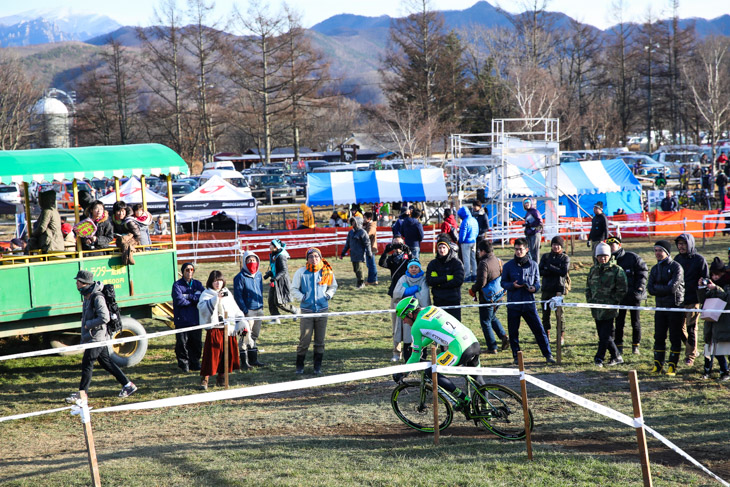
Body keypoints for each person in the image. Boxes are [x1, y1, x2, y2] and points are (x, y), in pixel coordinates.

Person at [392, 297, 486, 410]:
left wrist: (403, 372)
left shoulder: (416, 326)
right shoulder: (432, 308)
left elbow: (415, 356)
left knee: (431, 370)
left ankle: (463, 398)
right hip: (473, 342)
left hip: (459, 350)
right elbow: (434, 334)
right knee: (478, 380)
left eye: (404, 318)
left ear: (410, 314)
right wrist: (420, 345)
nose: (404, 322)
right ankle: (487, 411)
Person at [65, 270, 137, 403]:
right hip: (95, 336)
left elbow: (105, 317)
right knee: (107, 363)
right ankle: (128, 385)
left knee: (87, 363)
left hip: (97, 337)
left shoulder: (97, 297)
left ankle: (82, 394)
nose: (76, 283)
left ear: (85, 283)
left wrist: (88, 325)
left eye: (78, 281)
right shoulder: (87, 295)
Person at [500, 237, 556, 365]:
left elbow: (537, 283)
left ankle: (548, 354)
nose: (518, 252)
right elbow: (503, 283)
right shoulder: (508, 266)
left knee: (539, 331)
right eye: (516, 250)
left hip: (529, 303)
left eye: (521, 249)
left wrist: (534, 288)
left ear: (526, 250)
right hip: (513, 304)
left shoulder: (534, 265)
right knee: (513, 332)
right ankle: (516, 356)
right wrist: (512, 285)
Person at [197, 270, 248, 390]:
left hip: (227, 329)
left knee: (226, 355)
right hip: (214, 329)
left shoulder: (227, 293)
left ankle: (221, 377)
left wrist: (241, 321)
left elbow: (235, 308)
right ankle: (205, 379)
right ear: (211, 282)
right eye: (215, 281)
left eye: (219, 280)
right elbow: (202, 308)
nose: (217, 283)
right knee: (211, 356)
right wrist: (216, 299)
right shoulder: (206, 294)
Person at [291, 248, 338, 374]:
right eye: (311, 256)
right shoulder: (301, 272)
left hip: (322, 310)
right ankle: (299, 366)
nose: (314, 259)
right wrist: (303, 297)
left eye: (316, 256)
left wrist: (328, 295)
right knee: (304, 340)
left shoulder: (326, 271)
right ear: (307, 259)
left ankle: (317, 367)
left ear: (320, 257)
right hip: (307, 311)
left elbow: (333, 286)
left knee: (320, 340)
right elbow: (294, 288)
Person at [586, 242, 627, 367]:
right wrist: (590, 300)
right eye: (600, 256)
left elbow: (622, 288)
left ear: (609, 256)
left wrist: (613, 301)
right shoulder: (593, 270)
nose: (602, 258)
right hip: (596, 309)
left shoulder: (617, 270)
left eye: (605, 256)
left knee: (604, 335)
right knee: (603, 335)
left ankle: (599, 358)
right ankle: (616, 356)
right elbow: (588, 287)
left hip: (609, 309)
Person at [647, 240, 685, 376]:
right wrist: (660, 288)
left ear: (667, 252)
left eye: (660, 250)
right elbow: (650, 289)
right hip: (660, 308)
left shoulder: (676, 267)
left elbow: (672, 288)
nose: (657, 253)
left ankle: (672, 366)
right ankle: (658, 365)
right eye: (655, 250)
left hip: (675, 307)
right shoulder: (654, 269)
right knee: (659, 337)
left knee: (674, 337)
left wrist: (658, 288)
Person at [607, 236, 648, 355]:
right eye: (608, 246)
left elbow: (643, 271)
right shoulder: (608, 259)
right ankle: (619, 346)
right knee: (619, 322)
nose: (610, 248)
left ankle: (636, 346)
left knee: (635, 322)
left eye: (612, 245)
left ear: (619, 245)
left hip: (634, 296)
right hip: (619, 296)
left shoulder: (632, 257)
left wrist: (639, 288)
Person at [674, 233, 709, 367]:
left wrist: (702, 285)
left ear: (690, 244)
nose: (681, 246)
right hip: (678, 300)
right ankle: (692, 348)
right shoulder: (677, 258)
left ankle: (690, 356)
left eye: (683, 244)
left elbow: (705, 278)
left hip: (693, 300)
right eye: (679, 244)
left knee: (691, 329)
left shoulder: (700, 260)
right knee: (678, 328)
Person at [470, 239, 509, 354]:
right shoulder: (498, 260)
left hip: (488, 298)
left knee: (485, 321)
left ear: (482, 251)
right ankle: (503, 336)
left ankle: (492, 347)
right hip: (499, 296)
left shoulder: (484, 263)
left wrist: (473, 289)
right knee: (492, 318)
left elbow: (481, 282)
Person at [380, 237, 412, 361]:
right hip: (395, 293)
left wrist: (408, 252)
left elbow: (415, 263)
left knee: (409, 324)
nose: (397, 246)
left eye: (399, 243)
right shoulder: (392, 259)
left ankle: (410, 350)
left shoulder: (407, 258)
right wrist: (385, 252)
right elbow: (382, 263)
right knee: (396, 325)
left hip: (408, 293)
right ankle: (396, 352)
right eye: (395, 244)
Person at [698, 258, 730, 380]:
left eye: (717, 274)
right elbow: (702, 301)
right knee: (709, 347)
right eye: (712, 275)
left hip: (724, 323)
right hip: (711, 322)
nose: (715, 277)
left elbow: (727, 300)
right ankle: (707, 370)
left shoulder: (726, 285)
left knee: (722, 349)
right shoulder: (711, 286)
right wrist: (701, 288)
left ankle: (724, 371)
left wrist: (716, 288)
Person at [233, 251, 266, 370]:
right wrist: (245, 310)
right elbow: (238, 296)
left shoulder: (259, 275)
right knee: (244, 336)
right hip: (248, 311)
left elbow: (260, 291)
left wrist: (261, 305)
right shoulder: (239, 277)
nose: (252, 263)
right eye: (249, 260)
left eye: (254, 260)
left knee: (254, 335)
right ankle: (244, 362)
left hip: (259, 310)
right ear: (244, 262)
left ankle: (253, 359)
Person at [392, 260, 430, 362]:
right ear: (408, 269)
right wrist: (414, 290)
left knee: (420, 336)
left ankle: (422, 357)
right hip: (407, 314)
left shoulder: (423, 279)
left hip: (418, 314)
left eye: (416, 267)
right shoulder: (403, 278)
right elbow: (396, 294)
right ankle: (407, 358)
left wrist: (407, 293)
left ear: (420, 268)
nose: (413, 269)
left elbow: (424, 296)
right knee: (407, 336)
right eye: (411, 267)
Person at [171, 263, 205, 372]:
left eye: (191, 270)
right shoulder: (177, 285)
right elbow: (179, 300)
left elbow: (203, 297)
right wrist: (194, 299)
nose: (189, 272)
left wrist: (188, 296)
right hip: (182, 320)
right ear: (183, 271)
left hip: (195, 319)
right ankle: (184, 364)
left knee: (196, 343)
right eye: (187, 270)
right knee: (182, 343)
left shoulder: (198, 284)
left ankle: (195, 362)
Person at [539, 235, 570, 345]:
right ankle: (546, 335)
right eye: (554, 245)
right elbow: (540, 271)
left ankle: (560, 336)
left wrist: (550, 267)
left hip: (558, 289)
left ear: (561, 246)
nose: (556, 247)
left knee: (559, 314)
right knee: (545, 314)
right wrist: (553, 269)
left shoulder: (565, 258)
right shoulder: (546, 257)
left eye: (558, 245)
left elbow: (563, 272)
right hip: (546, 288)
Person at [426, 235, 465, 321]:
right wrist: (447, 278)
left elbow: (458, 280)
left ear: (448, 248)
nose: (442, 250)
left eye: (444, 247)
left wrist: (439, 284)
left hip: (453, 300)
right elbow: (429, 281)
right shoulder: (433, 264)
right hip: (438, 300)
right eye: (440, 247)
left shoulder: (456, 263)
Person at [263, 239, 295, 320]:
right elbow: (275, 269)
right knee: (271, 301)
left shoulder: (281, 256)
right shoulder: (274, 255)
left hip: (280, 281)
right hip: (275, 280)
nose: (269, 246)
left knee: (279, 302)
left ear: (276, 247)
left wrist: (274, 278)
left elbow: (283, 270)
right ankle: (275, 318)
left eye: (271, 245)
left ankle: (294, 310)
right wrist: (269, 274)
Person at [340, 217, 372, 289]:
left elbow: (367, 243)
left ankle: (361, 283)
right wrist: (343, 253)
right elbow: (347, 244)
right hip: (353, 254)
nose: (353, 223)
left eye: (354, 222)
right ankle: (359, 281)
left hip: (360, 254)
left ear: (358, 223)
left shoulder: (362, 232)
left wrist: (369, 253)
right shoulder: (351, 232)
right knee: (355, 269)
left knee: (359, 269)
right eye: (352, 222)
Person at [29, 189, 64, 255]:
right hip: (57, 241)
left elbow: (42, 228)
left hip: (50, 243)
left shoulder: (47, 211)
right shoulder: (54, 211)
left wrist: (33, 234)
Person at [457, 206, 479, 281]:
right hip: (473, 241)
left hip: (466, 242)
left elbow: (462, 233)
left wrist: (461, 241)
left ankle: (467, 276)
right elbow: (477, 231)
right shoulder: (474, 220)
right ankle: (474, 275)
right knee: (473, 259)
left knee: (466, 260)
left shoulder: (465, 221)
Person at [522, 198, 543, 263]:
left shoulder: (535, 211)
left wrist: (530, 225)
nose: (526, 204)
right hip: (529, 234)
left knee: (535, 252)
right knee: (530, 252)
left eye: (527, 203)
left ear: (531, 203)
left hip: (535, 233)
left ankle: (537, 268)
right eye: (525, 203)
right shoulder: (528, 212)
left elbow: (539, 222)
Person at [363, 211, 379, 285]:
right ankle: (372, 279)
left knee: (371, 264)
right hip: (369, 247)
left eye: (364, 218)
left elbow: (369, 234)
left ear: (369, 219)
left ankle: (373, 280)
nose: (363, 219)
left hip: (371, 248)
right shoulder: (368, 224)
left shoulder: (371, 225)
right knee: (369, 264)